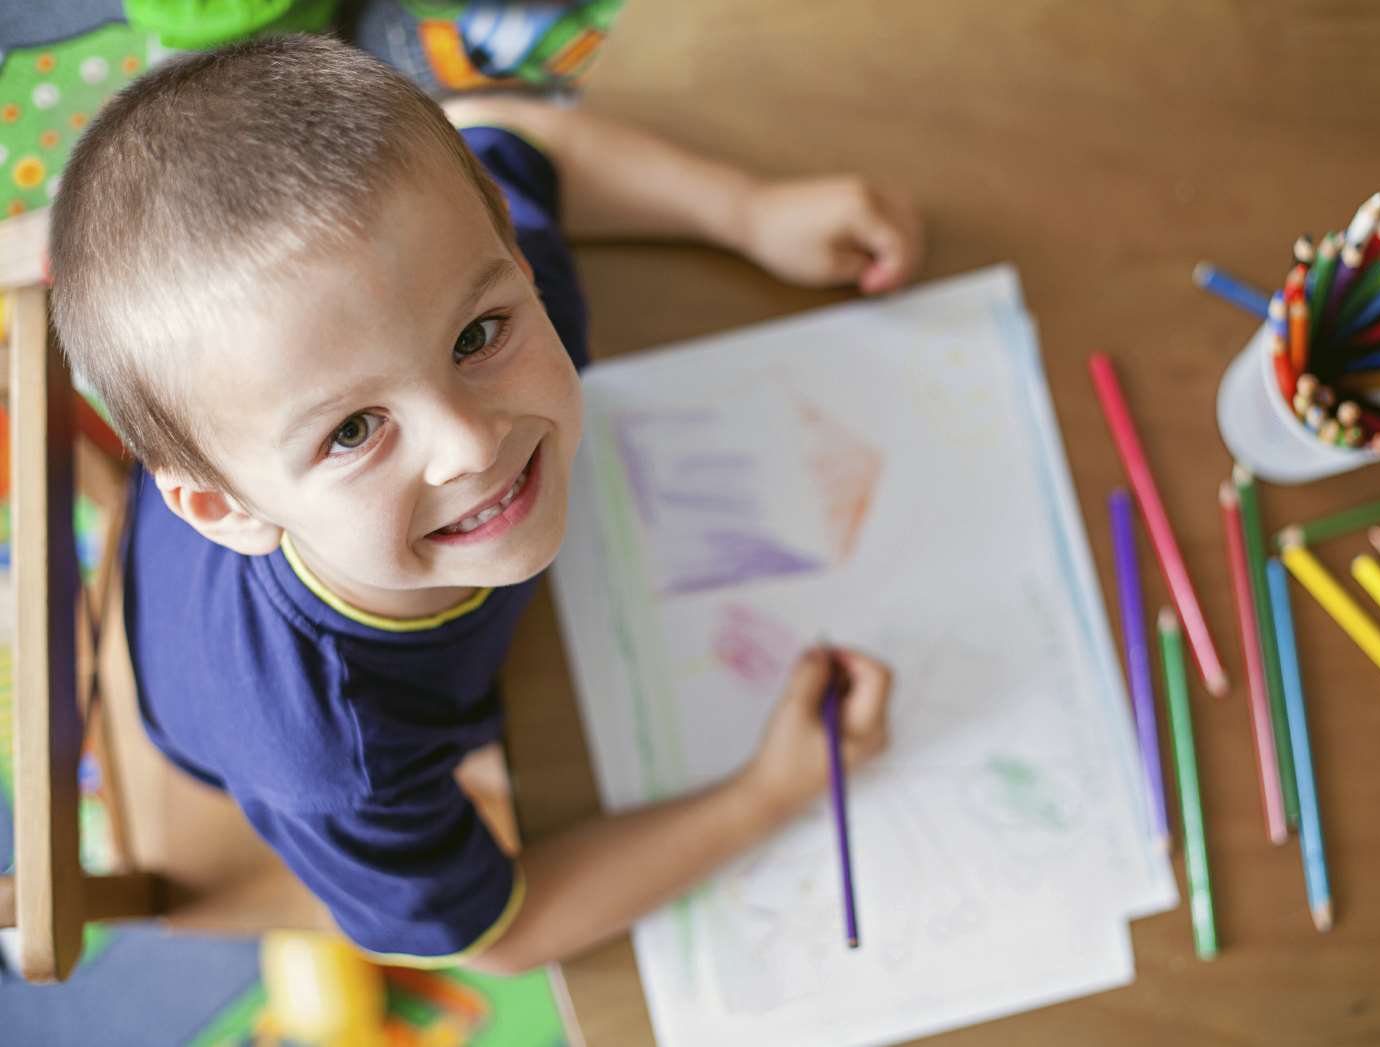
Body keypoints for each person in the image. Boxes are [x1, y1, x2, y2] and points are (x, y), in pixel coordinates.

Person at [48, 33, 918, 974]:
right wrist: (766, 795)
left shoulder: (451, 279)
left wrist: (747, 212)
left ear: (506, 248)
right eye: (351, 432)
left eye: (478, 335)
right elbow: (500, 935)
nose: (471, 442)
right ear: (231, 509)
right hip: (214, 688)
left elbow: (509, 133)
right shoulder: (336, 762)